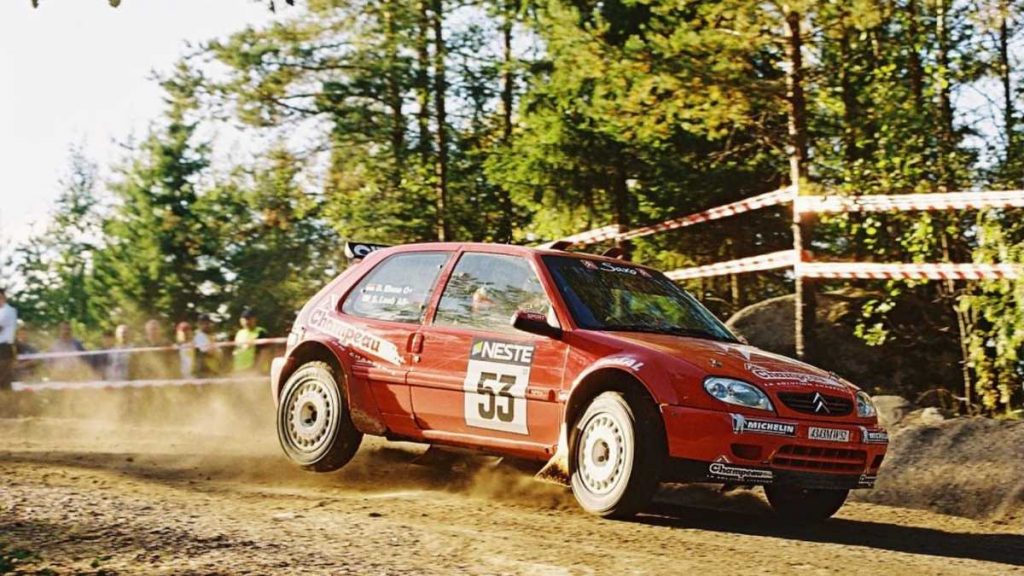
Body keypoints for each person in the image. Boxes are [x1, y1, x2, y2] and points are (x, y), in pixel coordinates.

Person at [233, 308, 267, 373]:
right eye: (244, 319)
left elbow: (265, 352)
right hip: (239, 369)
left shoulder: (260, 332)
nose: (247, 321)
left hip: (254, 370)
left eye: (249, 319)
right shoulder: (239, 333)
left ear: (255, 319)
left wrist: (257, 369)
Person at [0, 289, 17, 390]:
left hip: (4, 348)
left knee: (4, 380)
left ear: (4, 298)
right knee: (4, 382)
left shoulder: (8, 311)